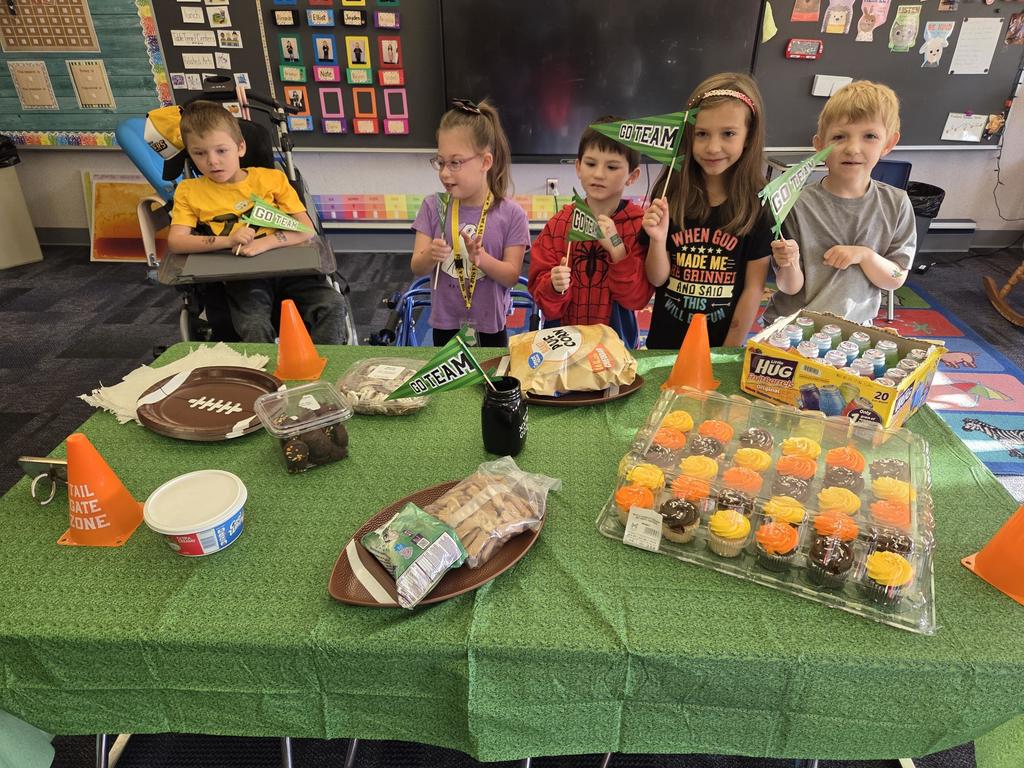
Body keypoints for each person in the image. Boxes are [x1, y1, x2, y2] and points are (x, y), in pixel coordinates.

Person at [167, 101, 348, 343]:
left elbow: (305, 230)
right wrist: (227, 240)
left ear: (240, 148)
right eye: (200, 153)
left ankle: (327, 365)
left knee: (333, 305)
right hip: (243, 274)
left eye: (221, 151)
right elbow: (177, 242)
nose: (212, 161)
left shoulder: (272, 180)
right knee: (252, 324)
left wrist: (265, 243)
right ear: (191, 154)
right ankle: (265, 376)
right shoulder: (190, 191)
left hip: (291, 266)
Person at [762, 80, 915, 326]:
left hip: (852, 333)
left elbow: (895, 278)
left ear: (888, 143)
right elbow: (789, 287)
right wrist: (788, 262)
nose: (853, 148)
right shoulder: (795, 204)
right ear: (819, 145)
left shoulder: (896, 204)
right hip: (790, 329)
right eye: (839, 137)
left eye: (870, 136)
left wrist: (865, 256)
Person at [641, 72, 773, 349]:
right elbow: (657, 278)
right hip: (664, 343)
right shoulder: (669, 193)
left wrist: (727, 351)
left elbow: (753, 289)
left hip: (720, 345)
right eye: (701, 134)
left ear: (748, 137)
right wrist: (656, 238)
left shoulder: (758, 203)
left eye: (728, 133)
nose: (713, 147)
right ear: (689, 136)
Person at [410, 98, 530, 347]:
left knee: (490, 383)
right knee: (451, 386)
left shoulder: (511, 214)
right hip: (445, 324)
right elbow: (417, 267)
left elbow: (511, 277)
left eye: (455, 162)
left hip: (491, 326)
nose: (444, 173)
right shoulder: (434, 206)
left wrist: (482, 258)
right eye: (441, 162)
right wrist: (431, 254)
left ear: (485, 162)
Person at [528, 116, 652, 341]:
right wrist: (553, 286)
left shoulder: (638, 226)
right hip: (562, 343)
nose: (598, 174)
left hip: (617, 345)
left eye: (612, 166)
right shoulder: (560, 224)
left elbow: (636, 299)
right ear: (578, 166)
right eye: (591, 163)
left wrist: (616, 245)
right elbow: (544, 300)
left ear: (632, 176)